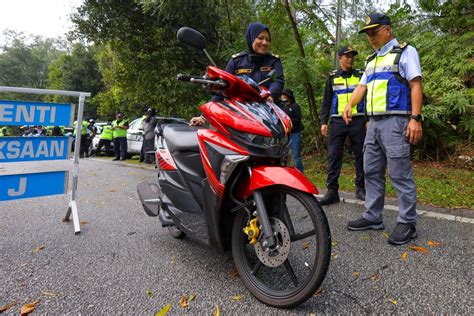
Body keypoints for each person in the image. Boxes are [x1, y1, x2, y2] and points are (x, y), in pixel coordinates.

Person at [342, 13, 423, 245]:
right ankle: (373, 217)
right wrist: (349, 104)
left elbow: (415, 84)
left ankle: (408, 222)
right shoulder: (371, 60)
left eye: (374, 32)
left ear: (387, 30)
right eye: (367, 33)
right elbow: (362, 87)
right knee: (371, 171)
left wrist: (415, 118)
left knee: (399, 173)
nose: (370, 37)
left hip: (396, 122)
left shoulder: (405, 52)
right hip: (373, 124)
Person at [190, 22, 284, 126]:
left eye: (268, 40)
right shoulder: (237, 61)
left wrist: (271, 94)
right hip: (240, 118)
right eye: (260, 38)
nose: (265, 42)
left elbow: (278, 81)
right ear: (251, 38)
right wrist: (204, 116)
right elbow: (222, 87)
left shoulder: (274, 61)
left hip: (268, 116)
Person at [319, 45, 366, 206]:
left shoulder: (360, 76)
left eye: (352, 56)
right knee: (333, 155)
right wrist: (324, 122)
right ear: (340, 58)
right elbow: (326, 101)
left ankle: (361, 187)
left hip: (358, 119)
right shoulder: (332, 77)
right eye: (346, 56)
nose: (350, 59)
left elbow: (366, 98)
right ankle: (332, 190)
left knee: (360, 154)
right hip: (338, 121)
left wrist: (367, 119)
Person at [280, 89, 304, 173]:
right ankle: (286, 173)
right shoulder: (282, 107)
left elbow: (298, 120)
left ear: (289, 96)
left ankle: (300, 172)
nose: (282, 96)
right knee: (284, 154)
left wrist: (287, 120)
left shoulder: (295, 106)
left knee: (296, 153)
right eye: (282, 95)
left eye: (284, 95)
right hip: (286, 134)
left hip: (295, 133)